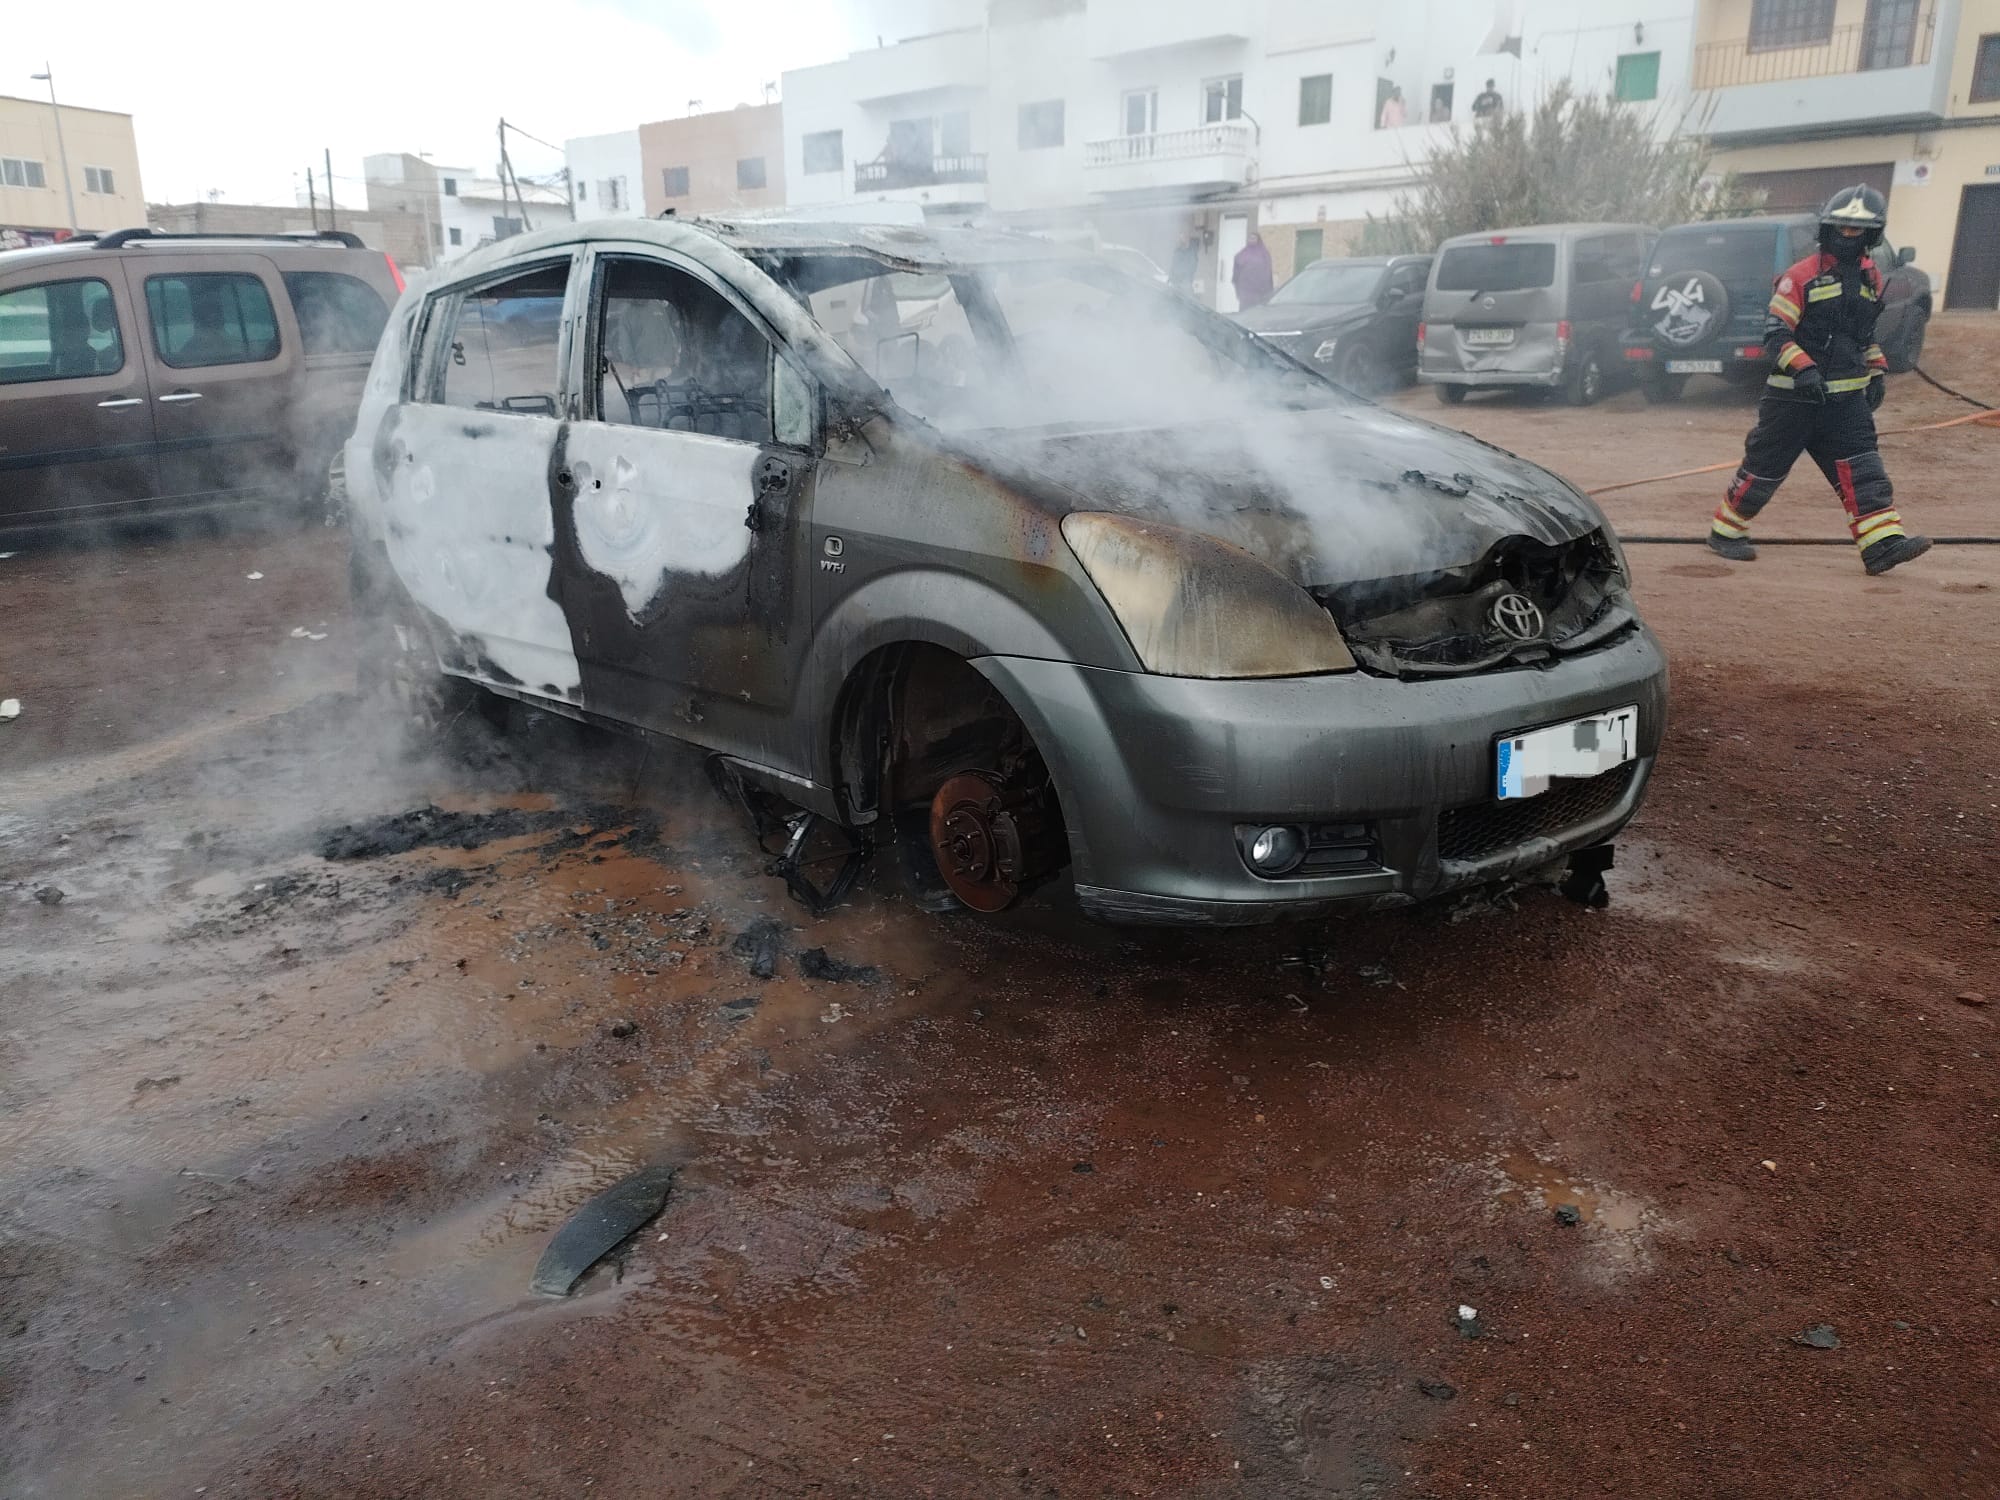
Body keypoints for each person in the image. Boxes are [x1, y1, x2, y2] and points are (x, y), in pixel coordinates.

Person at [1706, 184, 1930, 576]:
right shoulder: (1799, 277)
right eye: (1841, 228)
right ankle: (1725, 531)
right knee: (1764, 469)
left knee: (1864, 468)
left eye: (1856, 230)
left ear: (1872, 234)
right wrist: (1804, 369)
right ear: (1828, 229)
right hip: (1791, 400)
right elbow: (1776, 335)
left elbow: (1863, 334)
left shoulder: (1870, 276)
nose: (1848, 236)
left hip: (1845, 402)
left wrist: (1876, 370)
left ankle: (1881, 545)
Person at [1232, 231, 1274, 310]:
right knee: (1245, 312)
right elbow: (1236, 271)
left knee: (1257, 312)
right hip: (1245, 291)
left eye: (1254, 238)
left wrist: (1268, 291)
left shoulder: (1264, 254)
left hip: (1259, 292)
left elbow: (1268, 272)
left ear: (1258, 240)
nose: (1251, 240)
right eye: (1250, 238)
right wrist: (1237, 288)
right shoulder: (1243, 253)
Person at [1168, 227, 1200, 293]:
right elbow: (1173, 265)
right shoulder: (1178, 251)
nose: (1183, 239)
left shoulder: (1192, 250)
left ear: (1188, 236)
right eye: (1181, 237)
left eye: (1185, 236)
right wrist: (1170, 278)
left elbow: (1193, 266)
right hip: (1177, 282)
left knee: (1188, 299)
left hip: (1187, 282)